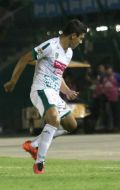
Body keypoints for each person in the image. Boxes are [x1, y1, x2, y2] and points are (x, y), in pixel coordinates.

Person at [4, 19, 87, 174]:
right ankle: (39, 163)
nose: (81, 41)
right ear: (74, 36)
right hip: (41, 89)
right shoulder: (50, 46)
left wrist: (67, 90)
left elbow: (58, 75)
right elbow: (25, 58)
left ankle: (34, 145)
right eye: (81, 38)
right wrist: (13, 81)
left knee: (71, 125)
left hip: (54, 93)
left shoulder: (68, 53)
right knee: (54, 119)